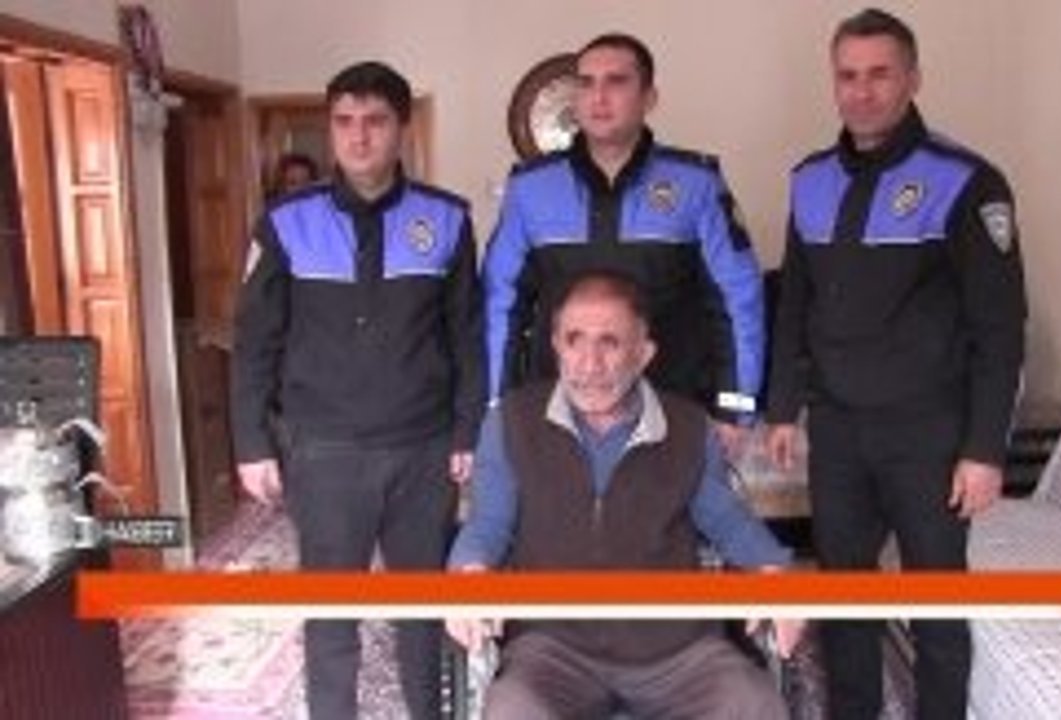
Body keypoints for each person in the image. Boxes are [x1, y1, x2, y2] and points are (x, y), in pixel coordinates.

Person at [766, 9, 1027, 719]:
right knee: (846, 594)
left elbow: (1001, 328)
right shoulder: (810, 180)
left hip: (928, 433)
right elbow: (795, 304)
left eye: (880, 74)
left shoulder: (967, 181)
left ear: (914, 78)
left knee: (935, 601)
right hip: (839, 430)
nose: (862, 91)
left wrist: (984, 450)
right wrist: (783, 406)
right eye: (847, 75)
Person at [231, 60, 484, 720]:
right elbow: (254, 341)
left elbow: (467, 335)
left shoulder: (447, 219)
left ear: (402, 127)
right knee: (331, 612)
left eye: (375, 121)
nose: (358, 136)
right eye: (344, 121)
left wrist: (468, 431)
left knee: (423, 609)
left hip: (423, 449)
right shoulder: (286, 221)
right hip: (324, 452)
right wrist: (252, 444)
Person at [447, 271, 803, 720]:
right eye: (574, 340)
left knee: (752, 703)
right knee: (512, 709)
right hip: (553, 650)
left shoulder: (688, 427)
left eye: (610, 343)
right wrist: (469, 573)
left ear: (643, 353)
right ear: (555, 345)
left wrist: (774, 570)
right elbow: (487, 525)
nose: (589, 364)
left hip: (678, 650)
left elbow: (729, 522)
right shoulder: (511, 422)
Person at [483, 33, 765, 452]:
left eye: (616, 81)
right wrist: (497, 406)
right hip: (559, 415)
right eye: (586, 83)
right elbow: (501, 305)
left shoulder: (696, 184)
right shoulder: (530, 189)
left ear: (649, 97)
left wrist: (735, 407)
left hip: (674, 411)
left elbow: (738, 299)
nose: (598, 97)